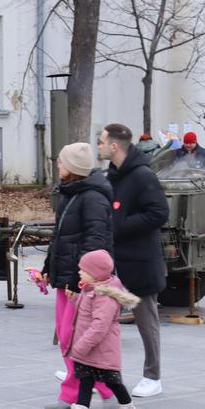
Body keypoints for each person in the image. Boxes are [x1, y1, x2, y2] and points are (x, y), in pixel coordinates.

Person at [42, 143, 116, 409]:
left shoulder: (93, 197)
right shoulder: (69, 193)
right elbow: (60, 236)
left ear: (72, 168)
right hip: (68, 279)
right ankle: (107, 388)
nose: (58, 166)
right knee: (66, 336)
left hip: (82, 282)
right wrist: (48, 266)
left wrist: (79, 280)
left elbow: (95, 242)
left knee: (74, 338)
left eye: (61, 162)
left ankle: (73, 393)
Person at [98, 123, 169, 398]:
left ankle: (153, 376)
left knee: (146, 322)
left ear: (114, 146)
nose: (99, 146)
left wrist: (120, 226)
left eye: (102, 142)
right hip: (114, 262)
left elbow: (159, 213)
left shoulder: (142, 176)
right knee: (99, 320)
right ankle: (93, 374)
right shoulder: (113, 175)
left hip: (140, 262)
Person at [66, 250, 140, 409]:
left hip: (101, 350)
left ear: (95, 274)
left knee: (113, 382)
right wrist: (74, 299)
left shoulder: (105, 296)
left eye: (83, 270)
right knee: (85, 380)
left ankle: (127, 405)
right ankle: (81, 406)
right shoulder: (91, 288)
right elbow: (85, 310)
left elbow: (99, 327)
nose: (79, 272)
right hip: (89, 350)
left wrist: (81, 345)